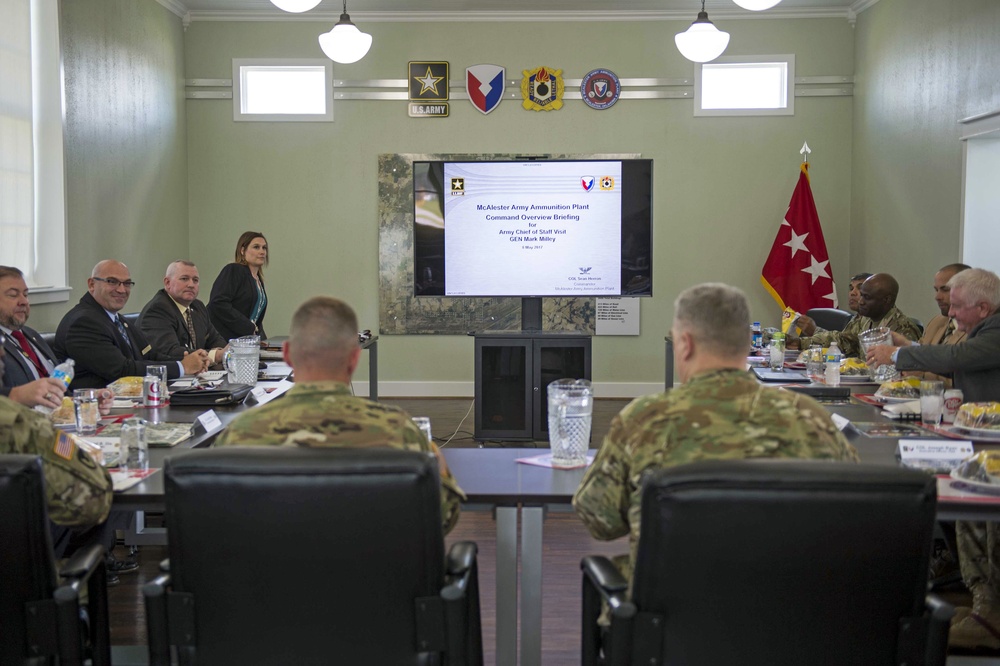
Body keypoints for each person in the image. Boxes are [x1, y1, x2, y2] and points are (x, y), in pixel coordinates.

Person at [573, 283, 858, 590]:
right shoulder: (811, 418)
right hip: (791, 620)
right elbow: (852, 513)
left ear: (685, 344)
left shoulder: (644, 420)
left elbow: (598, 519)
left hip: (668, 622)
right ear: (748, 342)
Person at [213, 296, 464, 534]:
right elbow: (443, 517)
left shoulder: (240, 434)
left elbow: (217, 520)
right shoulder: (400, 432)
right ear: (355, 358)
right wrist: (435, 458)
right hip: (374, 577)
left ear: (287, 355)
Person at [867, 267, 1000, 652]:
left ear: (983, 306)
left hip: (991, 446)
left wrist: (898, 353)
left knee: (978, 516)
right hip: (981, 443)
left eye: (956, 305)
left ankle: (990, 614)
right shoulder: (981, 326)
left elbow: (959, 357)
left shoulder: (994, 331)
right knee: (967, 512)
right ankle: (983, 607)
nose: (949, 313)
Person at [53, 260, 209, 390]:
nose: (121, 290)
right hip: (96, 412)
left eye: (127, 284)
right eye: (112, 282)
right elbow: (122, 370)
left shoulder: (117, 319)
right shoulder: (84, 322)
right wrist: (182, 367)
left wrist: (190, 359)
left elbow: (149, 355)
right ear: (92, 284)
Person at [793, 273, 921, 357]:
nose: (860, 301)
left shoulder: (903, 328)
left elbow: (907, 370)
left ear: (886, 300)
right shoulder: (865, 319)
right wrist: (798, 343)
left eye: (867, 297)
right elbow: (843, 340)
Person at [889, 263, 970, 386]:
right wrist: (907, 344)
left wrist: (922, 375)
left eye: (945, 289)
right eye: (936, 290)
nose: (937, 297)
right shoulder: (937, 322)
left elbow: (966, 381)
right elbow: (925, 352)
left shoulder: (979, 329)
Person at [1, 266, 67, 409]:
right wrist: (16, 395)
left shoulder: (31, 335)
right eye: (13, 295)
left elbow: (59, 386)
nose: (23, 301)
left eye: (25, 294)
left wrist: (87, 398)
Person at [139, 260, 228, 366]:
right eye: (184, 279)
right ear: (167, 283)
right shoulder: (157, 310)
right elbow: (170, 352)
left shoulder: (197, 306)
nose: (191, 284)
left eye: (195, 280)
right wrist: (215, 355)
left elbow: (216, 339)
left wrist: (222, 351)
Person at [208, 231, 269, 341]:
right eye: (256, 247)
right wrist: (248, 327)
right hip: (223, 340)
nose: (262, 252)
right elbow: (218, 302)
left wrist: (261, 339)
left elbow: (255, 318)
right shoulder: (234, 270)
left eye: (264, 248)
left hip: (244, 342)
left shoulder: (258, 280)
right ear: (242, 250)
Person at [795, 271, 872, 337]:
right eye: (851, 288)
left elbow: (845, 344)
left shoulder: (875, 320)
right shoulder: (857, 319)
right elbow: (843, 341)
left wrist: (815, 331)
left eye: (860, 288)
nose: (852, 293)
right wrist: (799, 342)